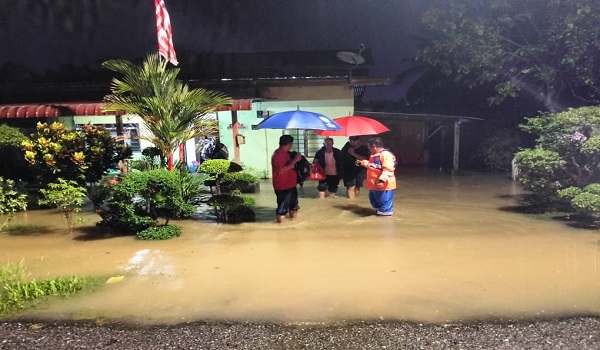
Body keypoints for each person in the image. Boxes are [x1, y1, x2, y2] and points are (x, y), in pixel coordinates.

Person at [357, 137, 397, 216]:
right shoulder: (374, 155)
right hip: (374, 185)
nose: (368, 149)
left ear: (373, 146)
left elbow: (388, 170)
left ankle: (383, 224)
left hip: (384, 186)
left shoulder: (386, 155)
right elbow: (373, 166)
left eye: (369, 146)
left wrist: (381, 181)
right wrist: (362, 163)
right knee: (376, 206)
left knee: (385, 210)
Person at [272, 135, 302, 223]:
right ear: (289, 144)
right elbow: (281, 170)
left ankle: (294, 225)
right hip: (282, 186)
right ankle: (281, 229)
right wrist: (295, 160)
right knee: (282, 209)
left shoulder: (287, 153)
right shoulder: (278, 155)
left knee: (294, 206)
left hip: (291, 184)